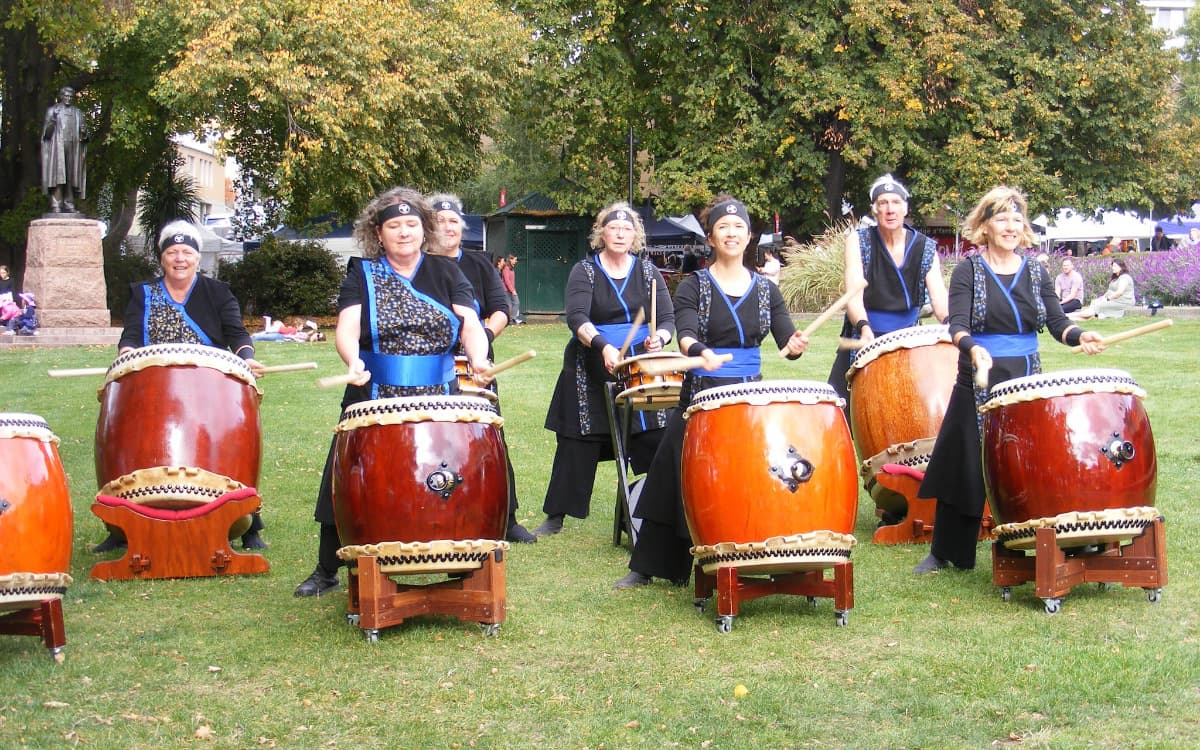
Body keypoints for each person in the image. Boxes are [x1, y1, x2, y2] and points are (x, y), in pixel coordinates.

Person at [294, 187, 494, 597]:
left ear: (423, 228)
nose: (403, 233)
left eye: (411, 224)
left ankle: (459, 561)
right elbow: (347, 328)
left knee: (447, 473)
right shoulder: (361, 273)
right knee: (351, 476)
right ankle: (327, 567)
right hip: (373, 391)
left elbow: (470, 323)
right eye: (393, 226)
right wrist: (352, 361)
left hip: (439, 392)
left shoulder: (447, 272)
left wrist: (479, 356)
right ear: (378, 234)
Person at [613, 195, 810, 588]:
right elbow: (685, 334)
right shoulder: (694, 285)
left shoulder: (767, 291)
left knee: (750, 476)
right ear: (711, 237)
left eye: (738, 227)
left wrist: (795, 345)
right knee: (672, 471)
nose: (731, 233)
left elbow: (785, 341)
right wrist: (702, 353)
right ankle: (648, 565)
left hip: (749, 401)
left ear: (749, 235)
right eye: (724, 227)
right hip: (702, 395)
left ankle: (751, 555)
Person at [913, 186, 1104, 574]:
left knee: (1025, 462)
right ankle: (947, 552)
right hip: (980, 375)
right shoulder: (969, 268)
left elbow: (1055, 322)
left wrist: (1078, 336)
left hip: (1026, 378)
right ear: (984, 225)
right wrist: (971, 348)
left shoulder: (1036, 270)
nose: (1011, 226)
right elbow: (957, 324)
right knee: (965, 461)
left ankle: (1031, 544)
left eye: (1017, 219)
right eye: (1001, 218)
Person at [92, 220, 267, 552]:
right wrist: (125, 356)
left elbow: (236, 334)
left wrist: (245, 357)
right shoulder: (143, 294)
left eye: (187, 252)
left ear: (198, 258)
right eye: (172, 252)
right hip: (152, 389)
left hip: (209, 389)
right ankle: (120, 525)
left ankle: (250, 522)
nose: (180, 258)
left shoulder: (217, 292)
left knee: (228, 444)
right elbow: (130, 335)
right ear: (162, 258)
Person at [532, 202, 675, 537]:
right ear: (602, 233)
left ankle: (653, 510)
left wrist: (661, 338)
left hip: (638, 364)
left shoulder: (648, 272)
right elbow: (577, 318)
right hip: (591, 362)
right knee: (576, 439)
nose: (620, 233)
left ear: (635, 236)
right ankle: (557, 515)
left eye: (627, 229)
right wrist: (603, 346)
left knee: (654, 433)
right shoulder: (585, 271)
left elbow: (666, 319)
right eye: (614, 228)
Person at [429, 193, 535, 544]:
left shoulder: (479, 264)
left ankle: (508, 518)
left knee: (491, 439)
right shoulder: (422, 267)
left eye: (453, 222)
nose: (448, 227)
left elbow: (501, 308)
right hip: (432, 367)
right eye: (441, 221)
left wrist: (484, 337)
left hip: (476, 366)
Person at [828, 174, 949, 406]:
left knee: (908, 413)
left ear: (905, 208)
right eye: (883, 203)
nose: (890, 209)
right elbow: (854, 296)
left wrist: (950, 322)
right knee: (840, 412)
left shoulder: (925, 247)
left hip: (907, 341)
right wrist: (864, 328)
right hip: (864, 334)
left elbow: (939, 297)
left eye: (895, 203)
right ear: (875, 210)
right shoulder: (858, 241)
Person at [41, 86, 87, 213]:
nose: (68, 98)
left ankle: (69, 204)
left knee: (71, 176)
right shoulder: (52, 111)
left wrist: (84, 133)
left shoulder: (77, 113)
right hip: (57, 148)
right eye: (66, 96)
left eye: (70, 96)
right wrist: (52, 121)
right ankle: (56, 204)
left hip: (73, 147)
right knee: (58, 176)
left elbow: (84, 135)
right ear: (61, 96)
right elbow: (46, 134)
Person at [1069, 259, 1136, 320]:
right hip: (1113, 299)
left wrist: (1107, 299)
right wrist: (1102, 298)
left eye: (1115, 266)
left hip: (1123, 301)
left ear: (1121, 267)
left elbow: (1119, 292)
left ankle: (1069, 316)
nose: (1113, 268)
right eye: (1112, 266)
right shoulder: (1115, 278)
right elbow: (1109, 291)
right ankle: (1073, 317)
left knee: (1099, 305)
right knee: (1095, 302)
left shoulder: (1125, 278)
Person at [501, 254, 523, 325]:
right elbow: (507, 281)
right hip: (506, 290)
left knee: (516, 302)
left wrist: (513, 289)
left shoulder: (511, 268)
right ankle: (509, 320)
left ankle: (513, 319)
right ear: (510, 259)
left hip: (511, 289)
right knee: (509, 305)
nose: (516, 261)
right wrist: (512, 290)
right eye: (514, 260)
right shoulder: (506, 268)